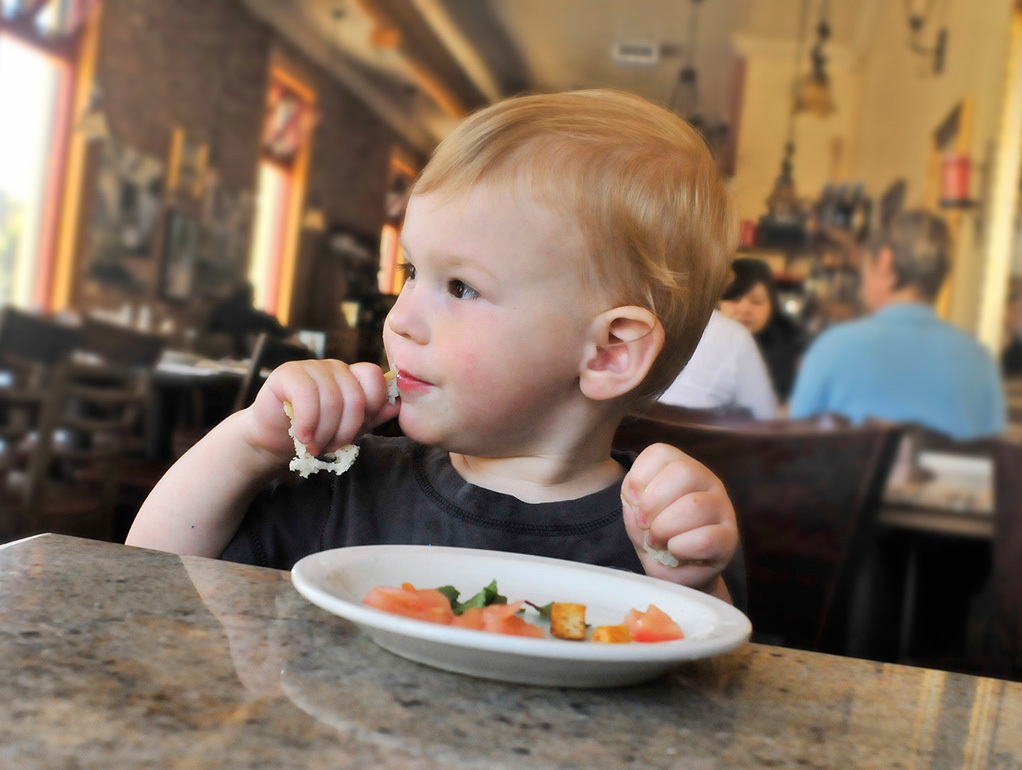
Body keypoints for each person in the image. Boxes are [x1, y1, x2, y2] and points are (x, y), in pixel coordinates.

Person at [127, 90, 741, 603]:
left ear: (608, 352)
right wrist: (248, 444)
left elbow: (725, 705)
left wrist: (687, 589)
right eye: (410, 273)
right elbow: (147, 576)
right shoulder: (345, 485)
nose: (400, 320)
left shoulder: (658, 532)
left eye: (462, 287)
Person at [789, 210, 1006, 440]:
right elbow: (995, 457)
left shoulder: (831, 349)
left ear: (885, 263)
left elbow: (792, 451)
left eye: (865, 263)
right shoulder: (980, 360)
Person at [659, 309, 779, 419]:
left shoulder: (652, 322)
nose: (744, 309)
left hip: (647, 435)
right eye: (734, 299)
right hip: (705, 438)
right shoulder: (736, 336)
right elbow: (766, 415)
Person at [718, 257, 807, 402]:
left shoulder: (791, 348)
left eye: (757, 301)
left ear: (772, 307)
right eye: (735, 299)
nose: (744, 309)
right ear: (717, 304)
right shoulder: (699, 342)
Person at [208, 281, 291, 358]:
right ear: (251, 296)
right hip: (251, 361)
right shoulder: (259, 318)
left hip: (222, 360)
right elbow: (284, 335)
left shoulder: (220, 311)